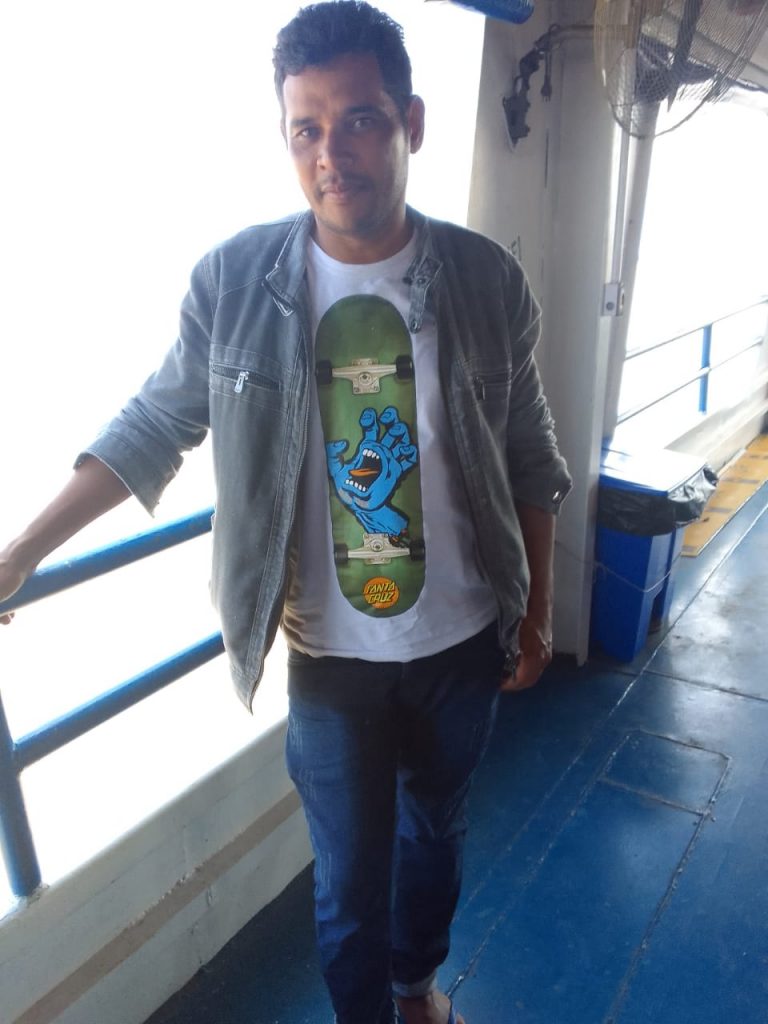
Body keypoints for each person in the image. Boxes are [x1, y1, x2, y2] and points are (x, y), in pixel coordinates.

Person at [0, 3, 572, 1022]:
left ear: (412, 123)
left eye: (360, 121)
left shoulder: (486, 279)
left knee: (435, 834)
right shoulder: (234, 282)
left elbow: (531, 455)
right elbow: (154, 423)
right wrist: (19, 552)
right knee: (347, 882)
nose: (331, 155)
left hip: (461, 639)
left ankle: (415, 989)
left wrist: (535, 613)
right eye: (306, 128)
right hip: (330, 653)